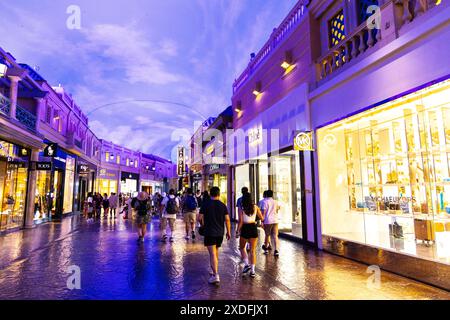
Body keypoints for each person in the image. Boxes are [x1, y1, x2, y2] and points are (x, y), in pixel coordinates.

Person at [198, 187, 231, 285]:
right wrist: (228, 232)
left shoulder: (206, 204)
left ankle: (216, 275)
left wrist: (202, 224)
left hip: (209, 232)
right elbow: (227, 219)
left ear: (210, 194)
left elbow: (199, 218)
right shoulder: (222, 205)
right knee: (216, 251)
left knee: (212, 253)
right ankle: (214, 271)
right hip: (220, 233)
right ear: (219, 194)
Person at [237, 192, 264, 278]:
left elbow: (240, 221)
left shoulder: (241, 208)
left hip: (245, 228)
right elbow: (262, 218)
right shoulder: (255, 207)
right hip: (253, 227)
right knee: (252, 251)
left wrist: (237, 230)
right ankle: (252, 271)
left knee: (242, 247)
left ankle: (246, 264)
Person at [260, 190, 280, 256]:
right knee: (275, 235)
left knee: (267, 235)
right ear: (272, 195)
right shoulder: (275, 202)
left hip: (267, 221)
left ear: (266, 194)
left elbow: (264, 212)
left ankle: (266, 248)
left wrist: (262, 221)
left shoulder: (264, 202)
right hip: (275, 220)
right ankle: (276, 250)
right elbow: (277, 210)